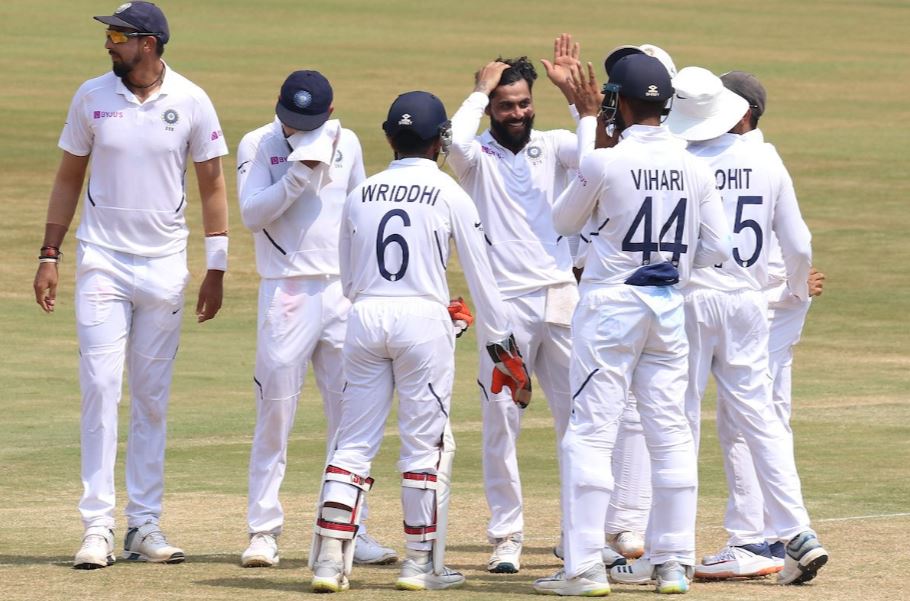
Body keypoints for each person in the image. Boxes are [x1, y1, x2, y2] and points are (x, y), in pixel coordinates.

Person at [32, 1, 229, 569]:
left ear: (149, 43)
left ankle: (144, 524)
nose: (108, 44)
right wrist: (50, 252)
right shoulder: (91, 97)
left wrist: (216, 267)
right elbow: (69, 176)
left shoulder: (190, 99)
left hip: (165, 266)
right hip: (102, 261)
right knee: (99, 387)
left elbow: (212, 185)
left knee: (151, 397)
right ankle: (96, 526)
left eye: (117, 35)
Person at [307, 91, 529, 593]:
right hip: (423, 320)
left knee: (352, 443)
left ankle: (327, 562)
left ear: (389, 136)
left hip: (363, 318)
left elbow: (346, 278)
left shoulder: (361, 193)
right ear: (440, 142)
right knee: (422, 447)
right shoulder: (450, 192)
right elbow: (483, 278)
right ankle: (418, 565)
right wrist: (501, 347)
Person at [533, 54, 731, 596]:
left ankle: (583, 569)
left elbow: (561, 221)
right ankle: (674, 562)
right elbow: (717, 247)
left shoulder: (605, 162)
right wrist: (677, 264)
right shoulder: (696, 166)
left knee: (591, 434)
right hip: (668, 306)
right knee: (669, 432)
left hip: (610, 307)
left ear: (620, 103)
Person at [447, 38, 600, 574]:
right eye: (506, 104)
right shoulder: (475, 159)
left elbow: (593, 158)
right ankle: (506, 536)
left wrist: (572, 102)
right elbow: (453, 142)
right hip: (502, 312)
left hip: (560, 299)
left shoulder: (555, 143)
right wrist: (478, 91)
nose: (517, 113)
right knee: (500, 424)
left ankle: (576, 534)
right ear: (491, 107)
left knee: (576, 422)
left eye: (523, 102)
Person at [235, 70, 396, 568]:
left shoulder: (345, 140)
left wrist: (373, 285)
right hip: (286, 288)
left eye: (306, 121)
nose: (293, 127)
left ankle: (349, 527)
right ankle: (263, 530)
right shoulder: (259, 143)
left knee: (350, 415)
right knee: (276, 411)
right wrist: (297, 176)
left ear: (328, 112)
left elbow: (360, 211)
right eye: (288, 118)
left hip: (341, 291)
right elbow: (250, 213)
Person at [681, 69, 828, 582]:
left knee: (701, 417)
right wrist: (792, 287)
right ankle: (789, 533)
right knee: (765, 414)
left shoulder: (693, 158)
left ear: (739, 112)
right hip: (767, 302)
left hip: (708, 297)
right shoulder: (769, 159)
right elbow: (801, 243)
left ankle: (748, 539)